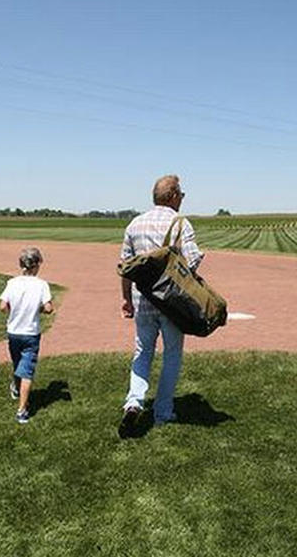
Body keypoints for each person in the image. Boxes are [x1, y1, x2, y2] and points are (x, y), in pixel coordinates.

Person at [119, 175, 203, 437]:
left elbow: (125, 268)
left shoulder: (135, 224)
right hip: (172, 304)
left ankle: (134, 402)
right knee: (172, 356)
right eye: (182, 195)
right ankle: (163, 412)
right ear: (174, 196)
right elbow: (190, 264)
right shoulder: (180, 223)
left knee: (142, 352)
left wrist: (125, 300)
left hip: (142, 300)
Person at [0, 247, 55, 424]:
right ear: (37, 265)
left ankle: (16, 388)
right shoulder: (41, 284)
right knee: (27, 371)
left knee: (18, 363)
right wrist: (38, 309)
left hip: (13, 331)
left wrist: (12, 312)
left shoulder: (12, 283)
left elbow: (2, 306)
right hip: (31, 332)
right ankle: (22, 410)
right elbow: (49, 308)